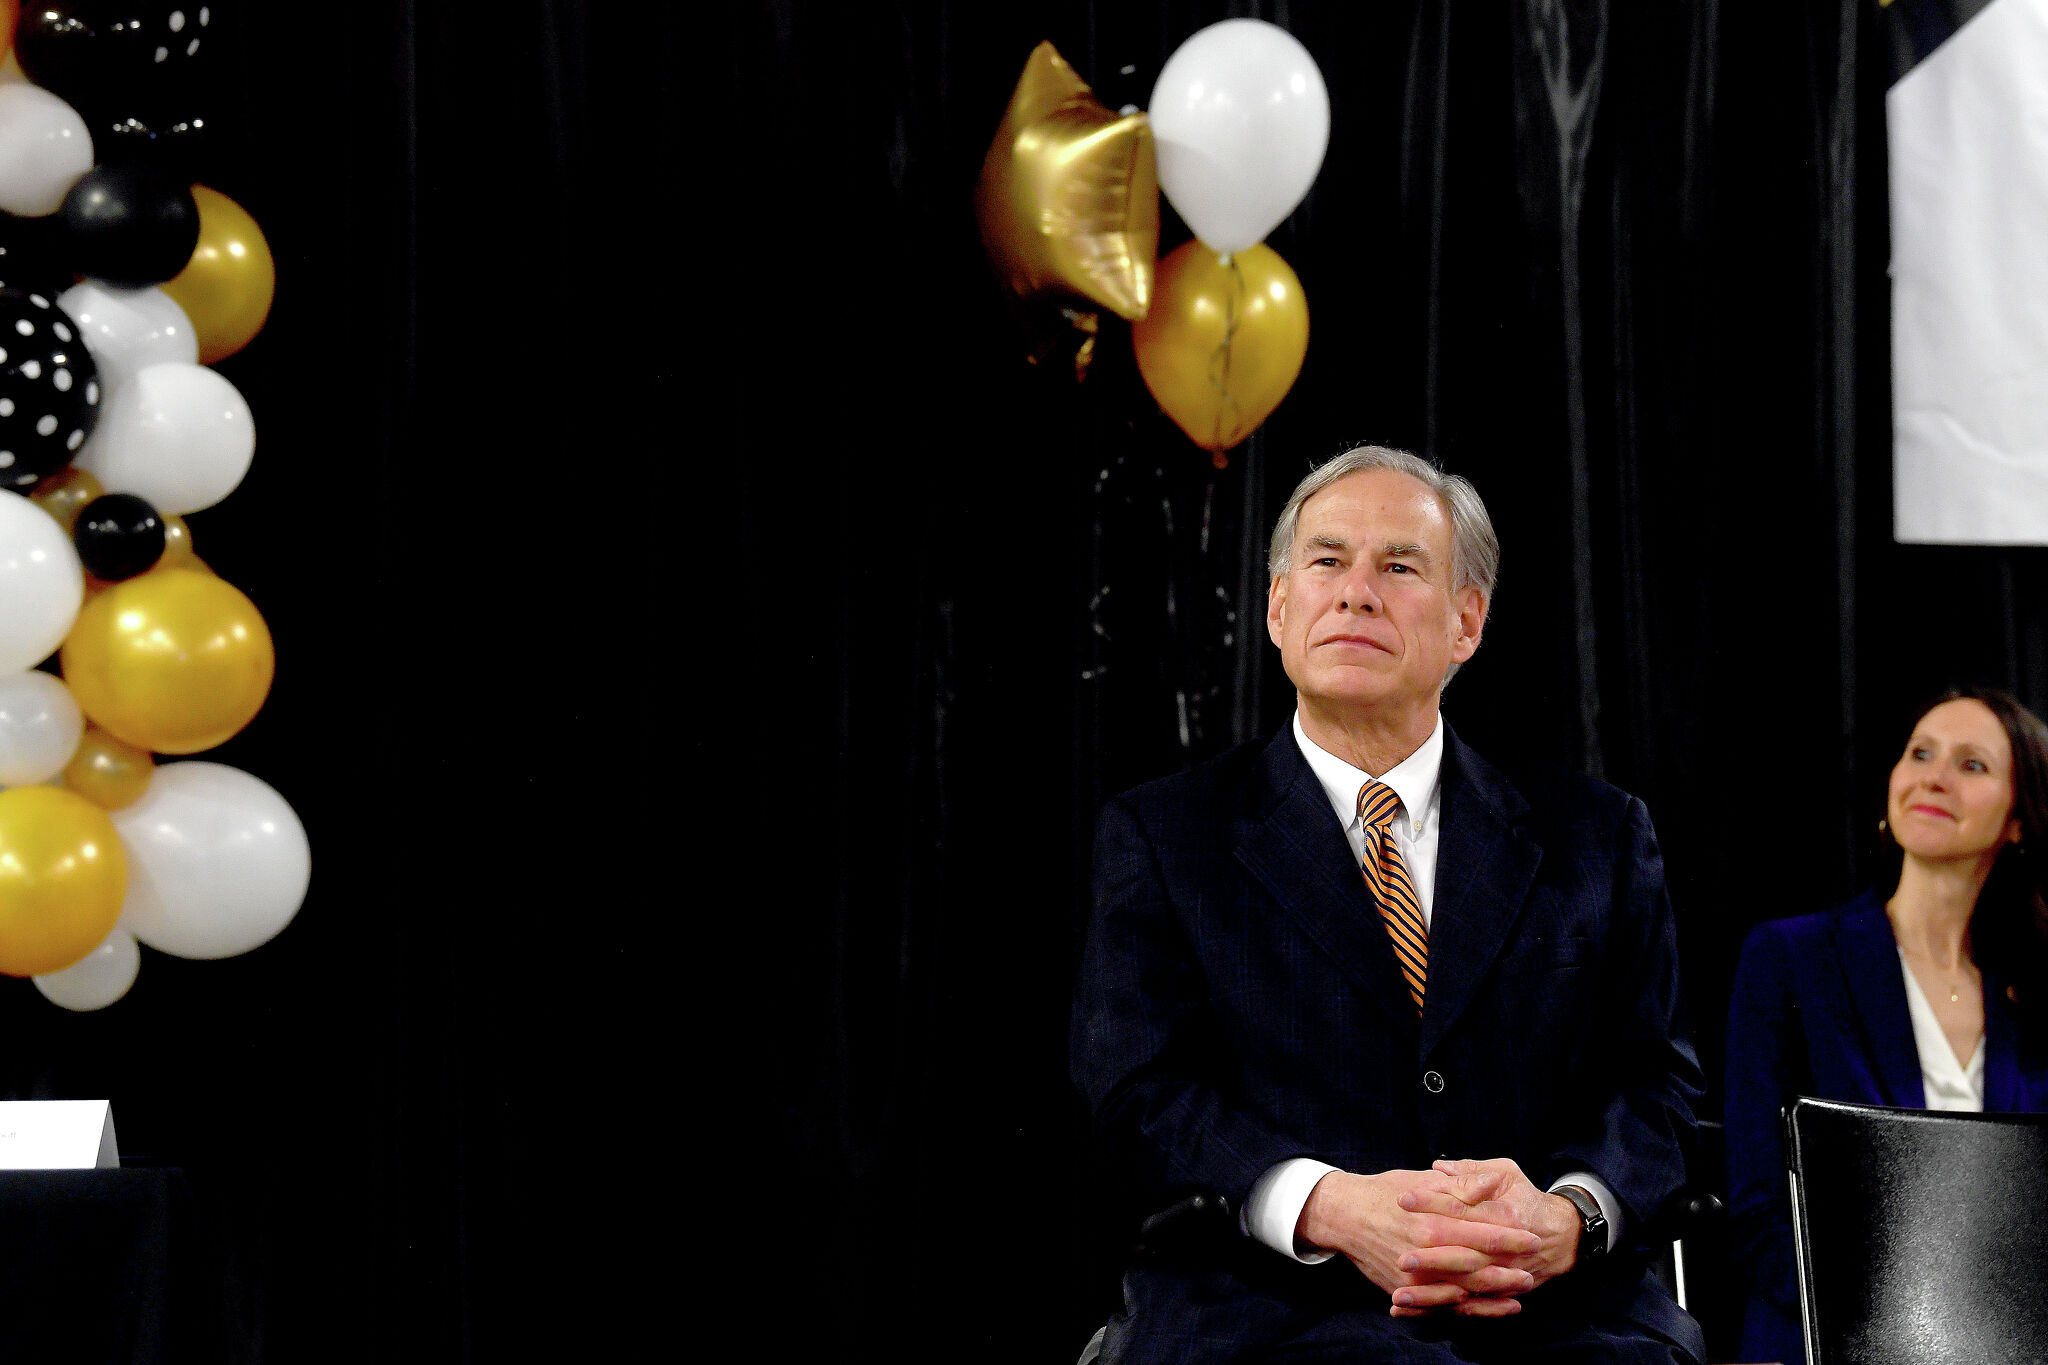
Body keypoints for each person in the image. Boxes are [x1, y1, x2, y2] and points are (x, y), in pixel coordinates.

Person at [1073, 445, 1706, 1363]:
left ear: (1468, 620)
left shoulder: (1596, 838)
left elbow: (1661, 1088)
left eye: (1400, 566)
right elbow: (1134, 1089)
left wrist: (1566, 1216)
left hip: (1558, 1313)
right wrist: (1333, 1205)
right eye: (1327, 561)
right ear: (1279, 609)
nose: (1358, 592)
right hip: (1271, 1308)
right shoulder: (1168, 834)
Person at [1723, 686, 2048, 1365]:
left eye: (1972, 764)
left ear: (2018, 818)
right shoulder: (1790, 958)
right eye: (1921, 753)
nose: (1934, 775)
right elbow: (1757, 1209)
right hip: (1830, 1338)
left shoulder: (2034, 994)